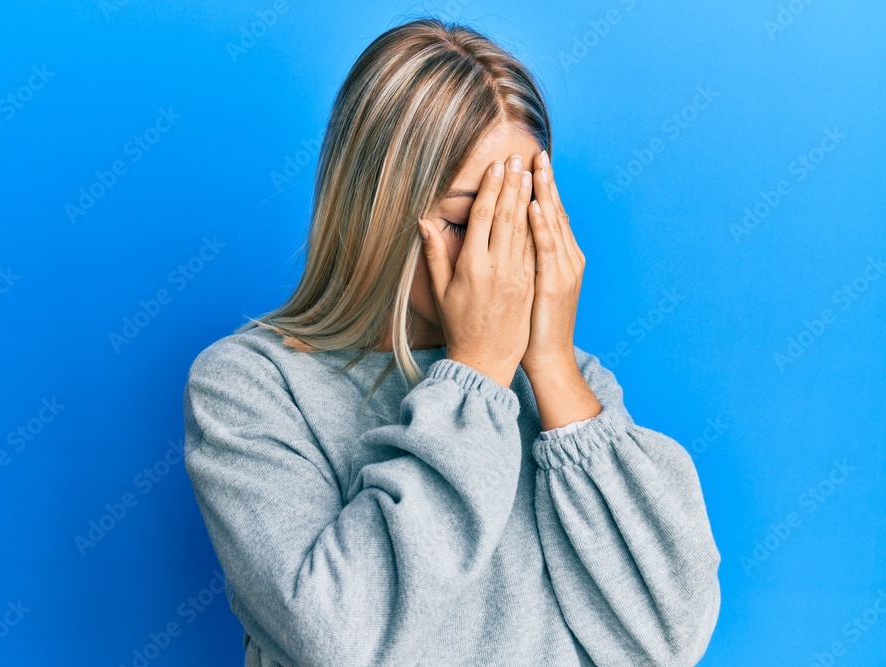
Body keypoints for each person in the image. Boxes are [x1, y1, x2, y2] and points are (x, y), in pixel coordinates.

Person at [183, 16, 721, 666]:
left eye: (523, 212)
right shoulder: (249, 387)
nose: (504, 252)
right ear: (376, 210)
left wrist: (552, 366)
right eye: (472, 219)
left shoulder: (570, 386)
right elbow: (338, 641)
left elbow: (670, 638)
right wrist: (475, 377)